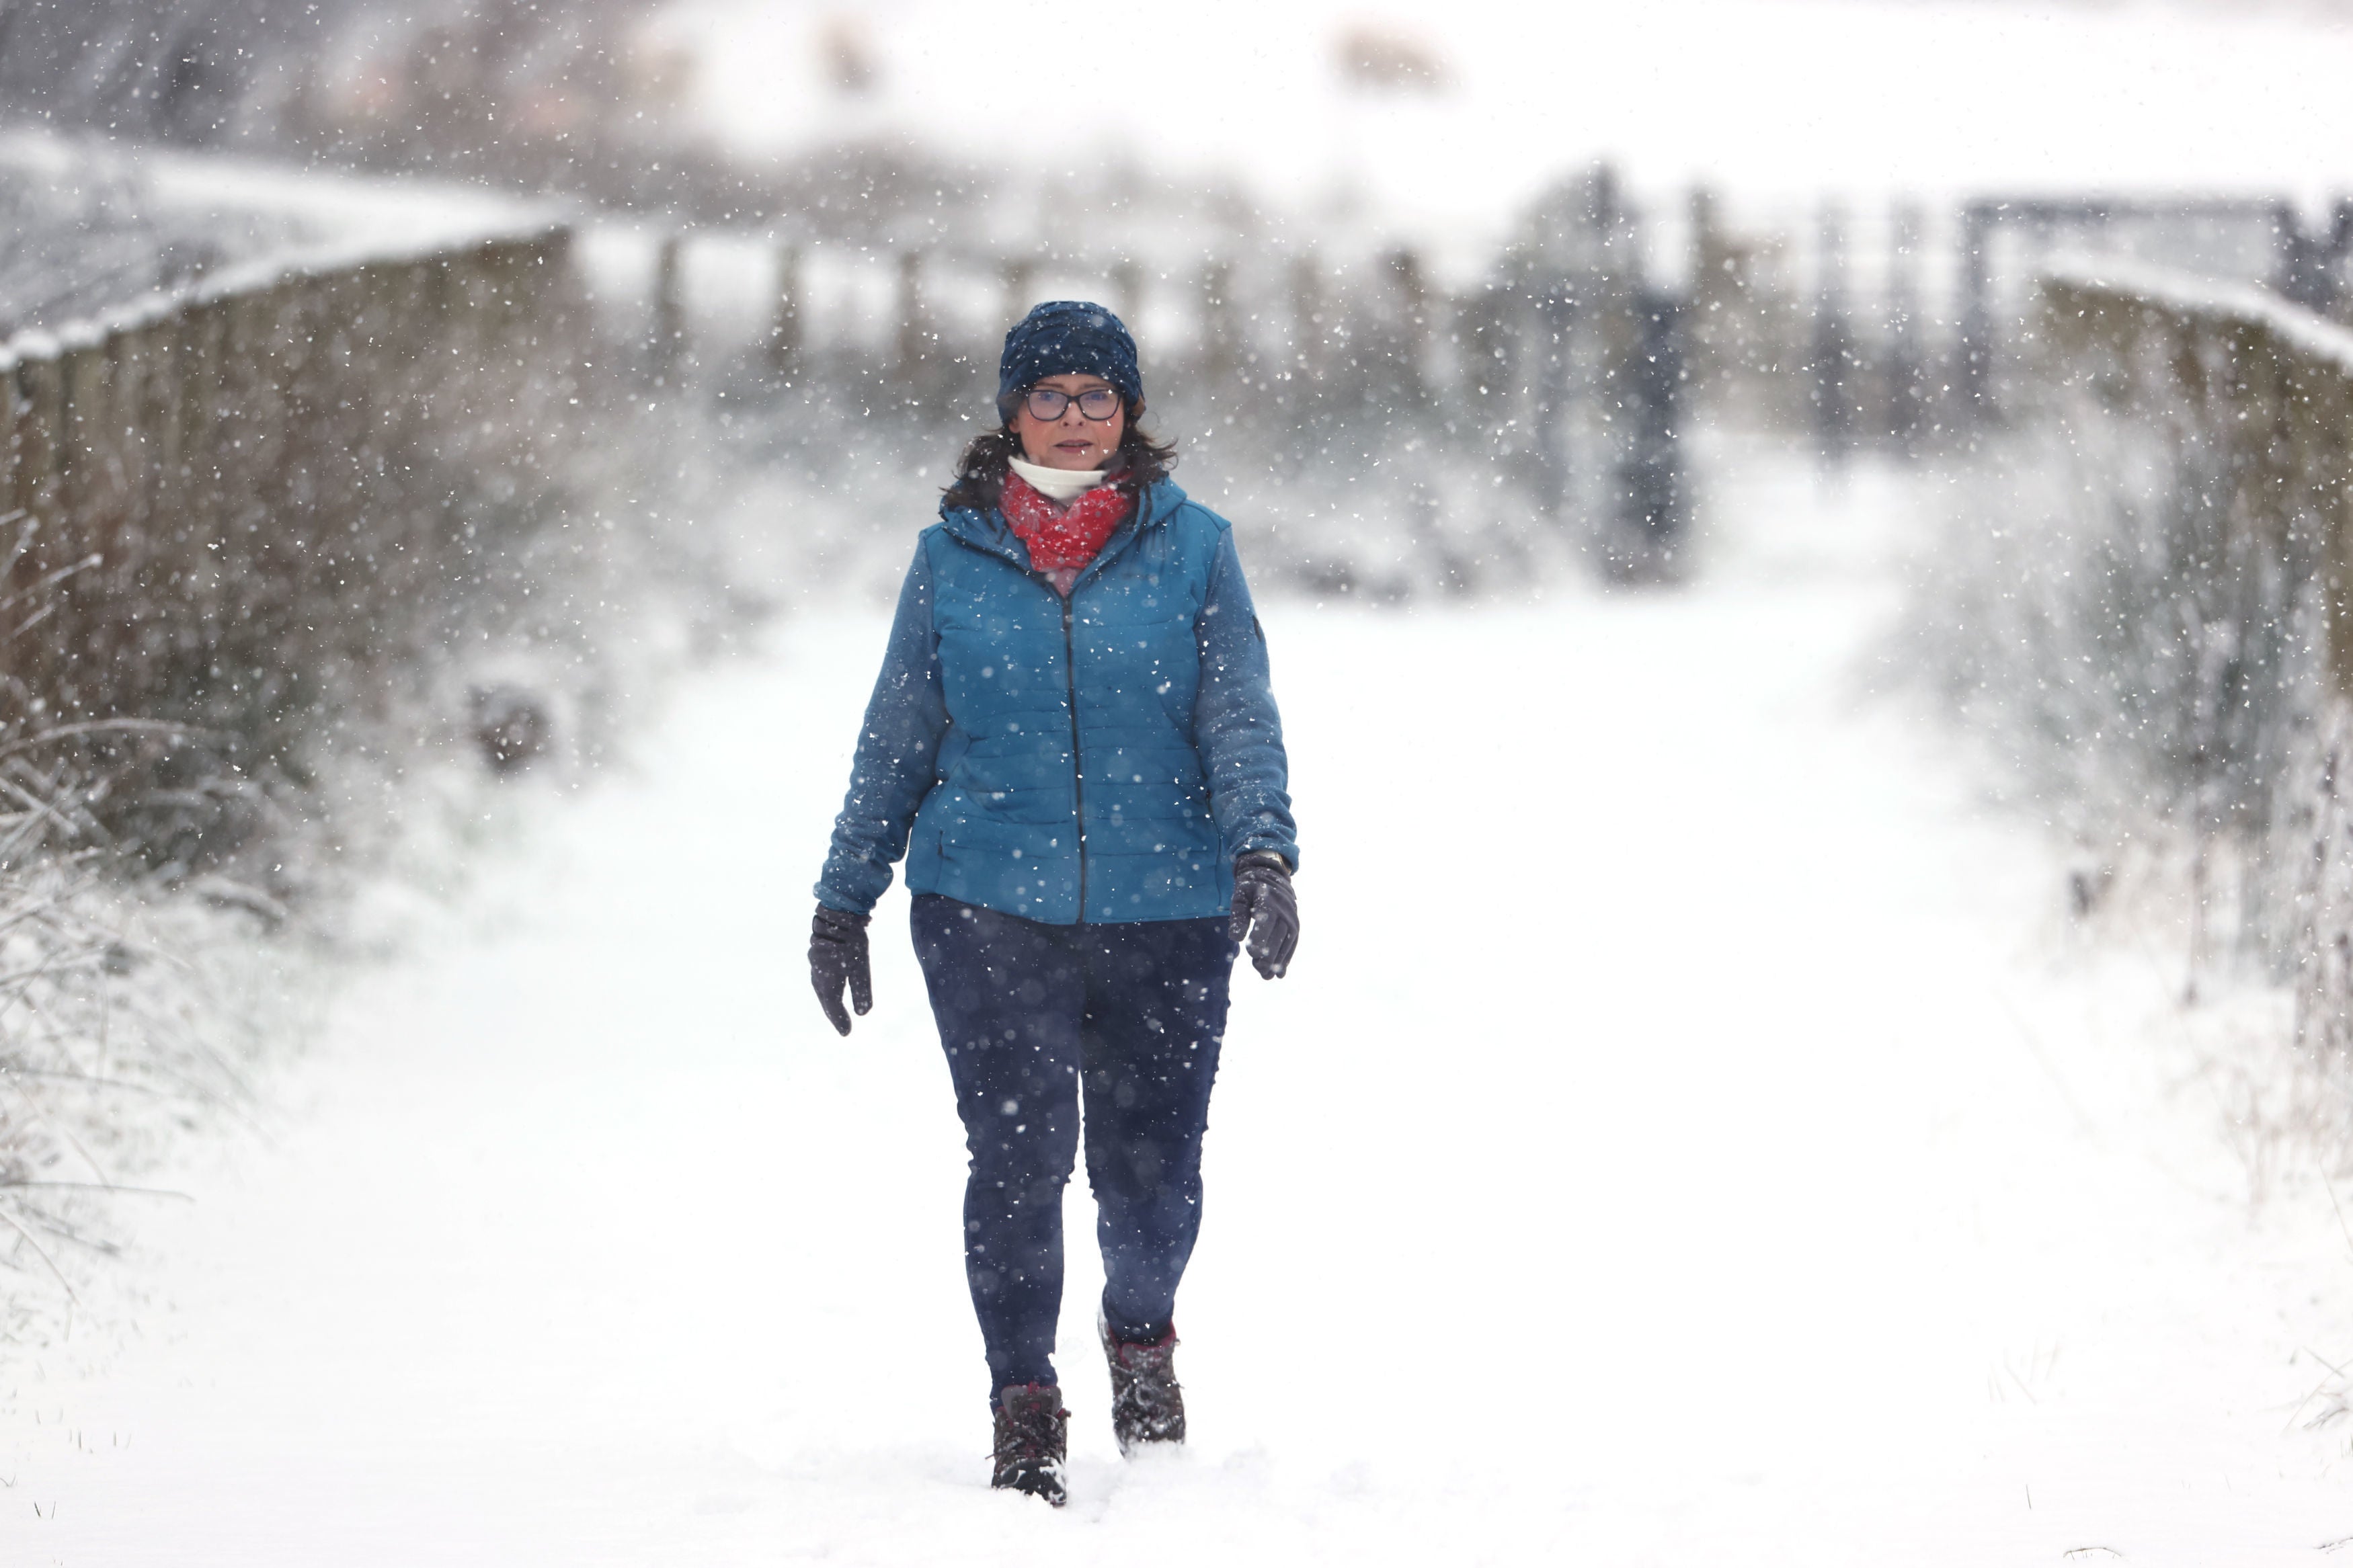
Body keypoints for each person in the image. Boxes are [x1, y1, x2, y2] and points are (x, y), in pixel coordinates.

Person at [807, 300, 1299, 1508]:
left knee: (1153, 1178)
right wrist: (843, 897)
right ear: (1010, 413)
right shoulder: (951, 558)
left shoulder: (1197, 550)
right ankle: (1022, 1397)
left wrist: (1265, 857)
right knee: (1020, 1159)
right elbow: (897, 739)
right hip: (986, 903)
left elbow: (1237, 716)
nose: (1075, 419)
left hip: (1165, 908)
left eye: (1098, 397)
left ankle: (1141, 1337)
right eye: (1050, 396)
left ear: (1130, 413)